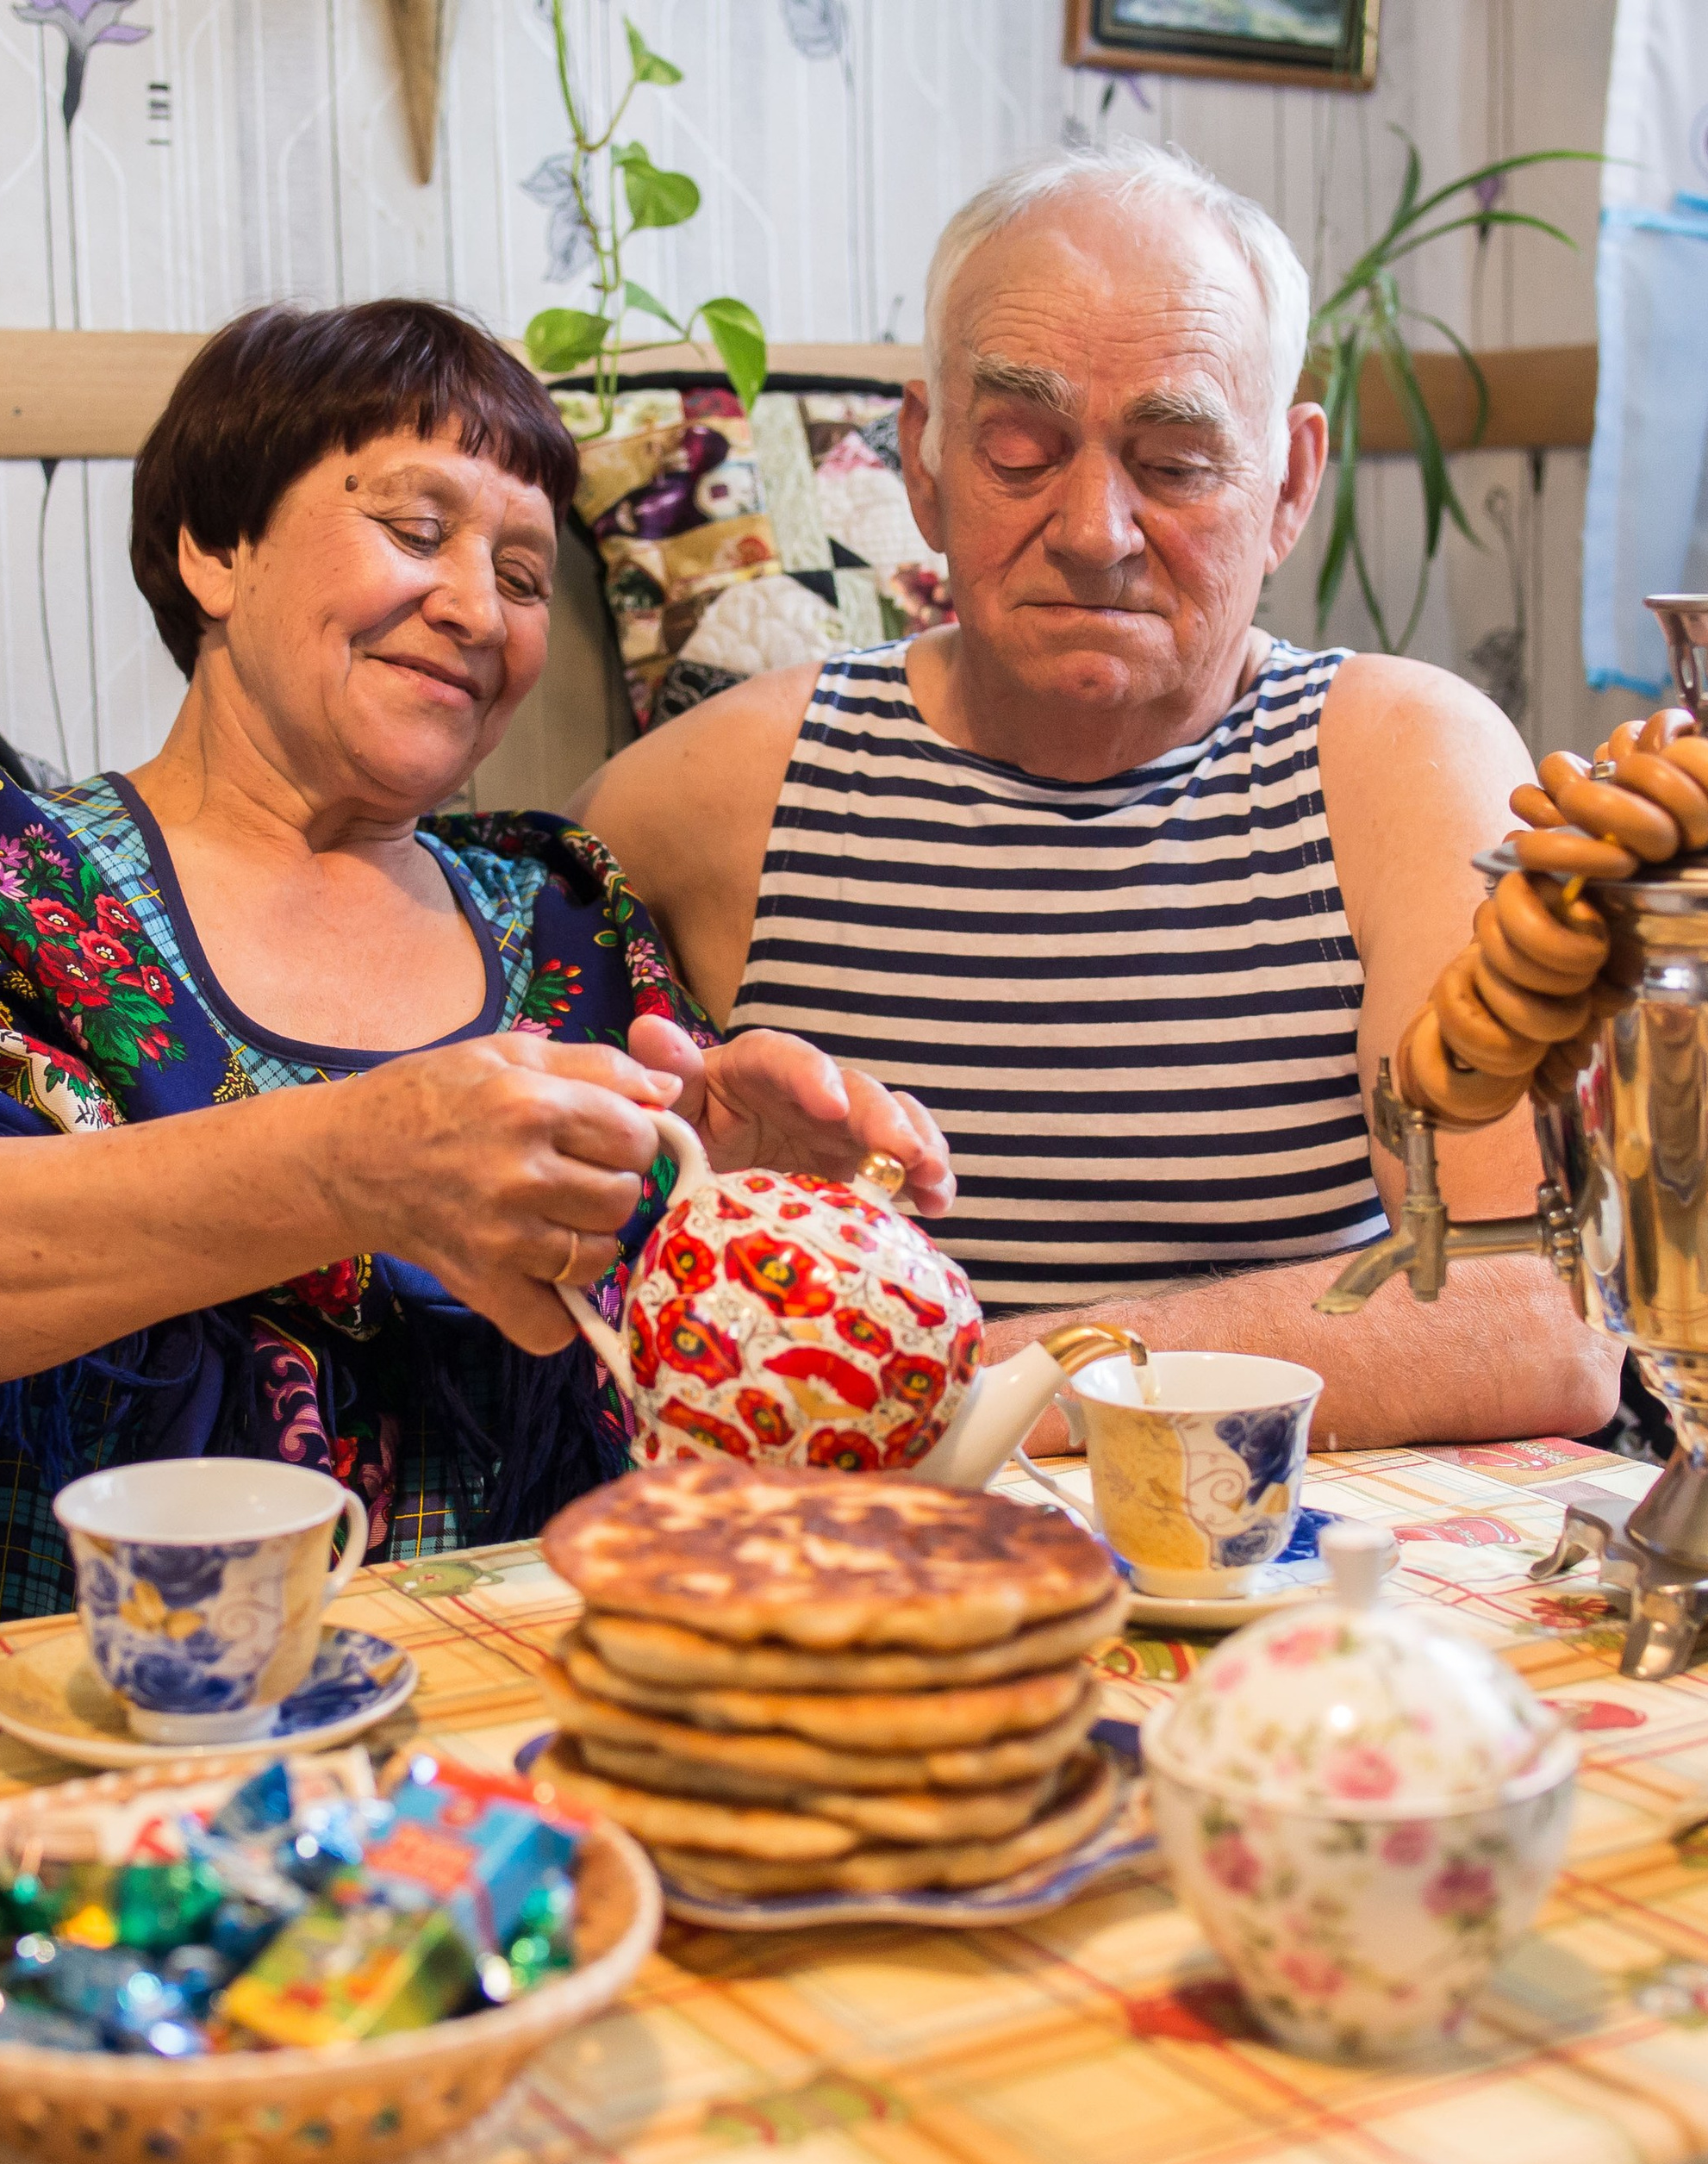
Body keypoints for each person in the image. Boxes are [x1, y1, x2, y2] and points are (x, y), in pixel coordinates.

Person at [0, 300, 950, 1654]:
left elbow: (700, 1423)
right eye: (417, 529)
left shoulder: (571, 926)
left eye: (521, 576)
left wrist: (736, 1219)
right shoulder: (11, 883)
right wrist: (348, 1167)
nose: (475, 608)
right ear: (217, 548)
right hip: (100, 1740)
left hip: (535, 1726)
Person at [579, 140, 1623, 1451]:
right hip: (852, 1562)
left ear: (1291, 483)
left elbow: (1535, 1312)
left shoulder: (1399, 767)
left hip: (1279, 1560)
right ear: (923, 461)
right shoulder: (721, 790)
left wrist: (949, 1390)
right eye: (1020, 449)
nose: (1094, 531)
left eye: (1176, 463)